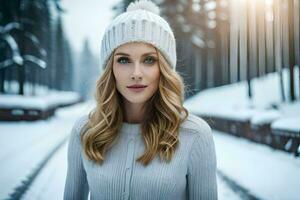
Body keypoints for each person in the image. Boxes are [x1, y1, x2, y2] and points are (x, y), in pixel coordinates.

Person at [63, 0, 218, 199]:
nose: (136, 73)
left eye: (149, 60)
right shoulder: (84, 131)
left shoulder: (195, 134)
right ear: (110, 69)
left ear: (164, 68)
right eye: (124, 60)